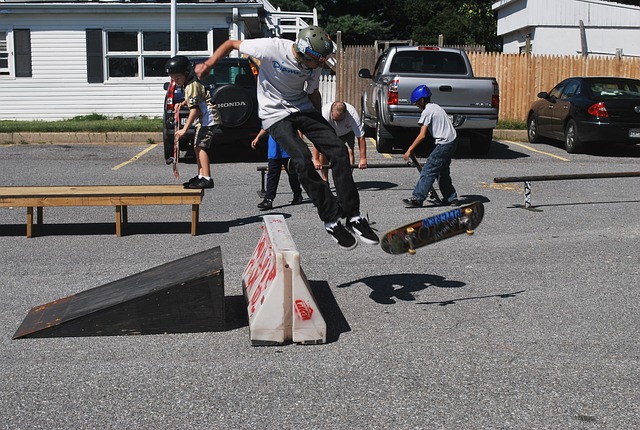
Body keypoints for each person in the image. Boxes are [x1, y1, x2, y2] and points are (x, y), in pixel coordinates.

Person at [195, 26, 378, 249]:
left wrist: (320, 127)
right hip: (274, 115)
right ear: (302, 53)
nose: (320, 66)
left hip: (302, 108)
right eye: (317, 62)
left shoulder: (315, 62)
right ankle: (330, 219)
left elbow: (312, 92)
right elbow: (231, 44)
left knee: (338, 150)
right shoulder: (272, 48)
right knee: (301, 158)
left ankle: (353, 216)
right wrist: (209, 64)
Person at [166, 55, 218, 189]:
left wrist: (184, 129)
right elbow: (194, 99)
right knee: (197, 146)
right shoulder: (189, 84)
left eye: (177, 78)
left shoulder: (191, 86)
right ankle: (201, 175)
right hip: (204, 119)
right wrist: (182, 103)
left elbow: (194, 110)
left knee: (201, 147)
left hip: (209, 119)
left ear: (186, 73)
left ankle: (207, 178)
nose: (176, 81)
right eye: (173, 79)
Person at [402, 85, 459, 207]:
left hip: (444, 143)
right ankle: (451, 198)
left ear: (422, 100)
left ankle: (417, 198)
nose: (417, 105)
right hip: (452, 141)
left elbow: (422, 135)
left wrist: (410, 149)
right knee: (442, 172)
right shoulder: (436, 107)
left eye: (417, 102)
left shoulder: (427, 111)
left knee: (428, 169)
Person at [252, 129, 303, 211]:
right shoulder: (270, 116)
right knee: (272, 176)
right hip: (274, 149)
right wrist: (257, 137)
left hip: (288, 148)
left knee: (293, 174)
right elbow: (265, 127)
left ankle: (297, 195)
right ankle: (269, 199)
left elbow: (297, 127)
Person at [314, 101, 368, 180]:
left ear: (345, 114)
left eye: (340, 120)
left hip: (347, 132)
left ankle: (347, 178)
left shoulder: (353, 115)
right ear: (331, 112)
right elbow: (316, 137)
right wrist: (316, 159)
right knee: (323, 153)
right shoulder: (324, 114)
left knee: (350, 151)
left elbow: (361, 137)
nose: (338, 122)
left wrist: (363, 158)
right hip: (330, 132)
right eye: (336, 119)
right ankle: (325, 179)